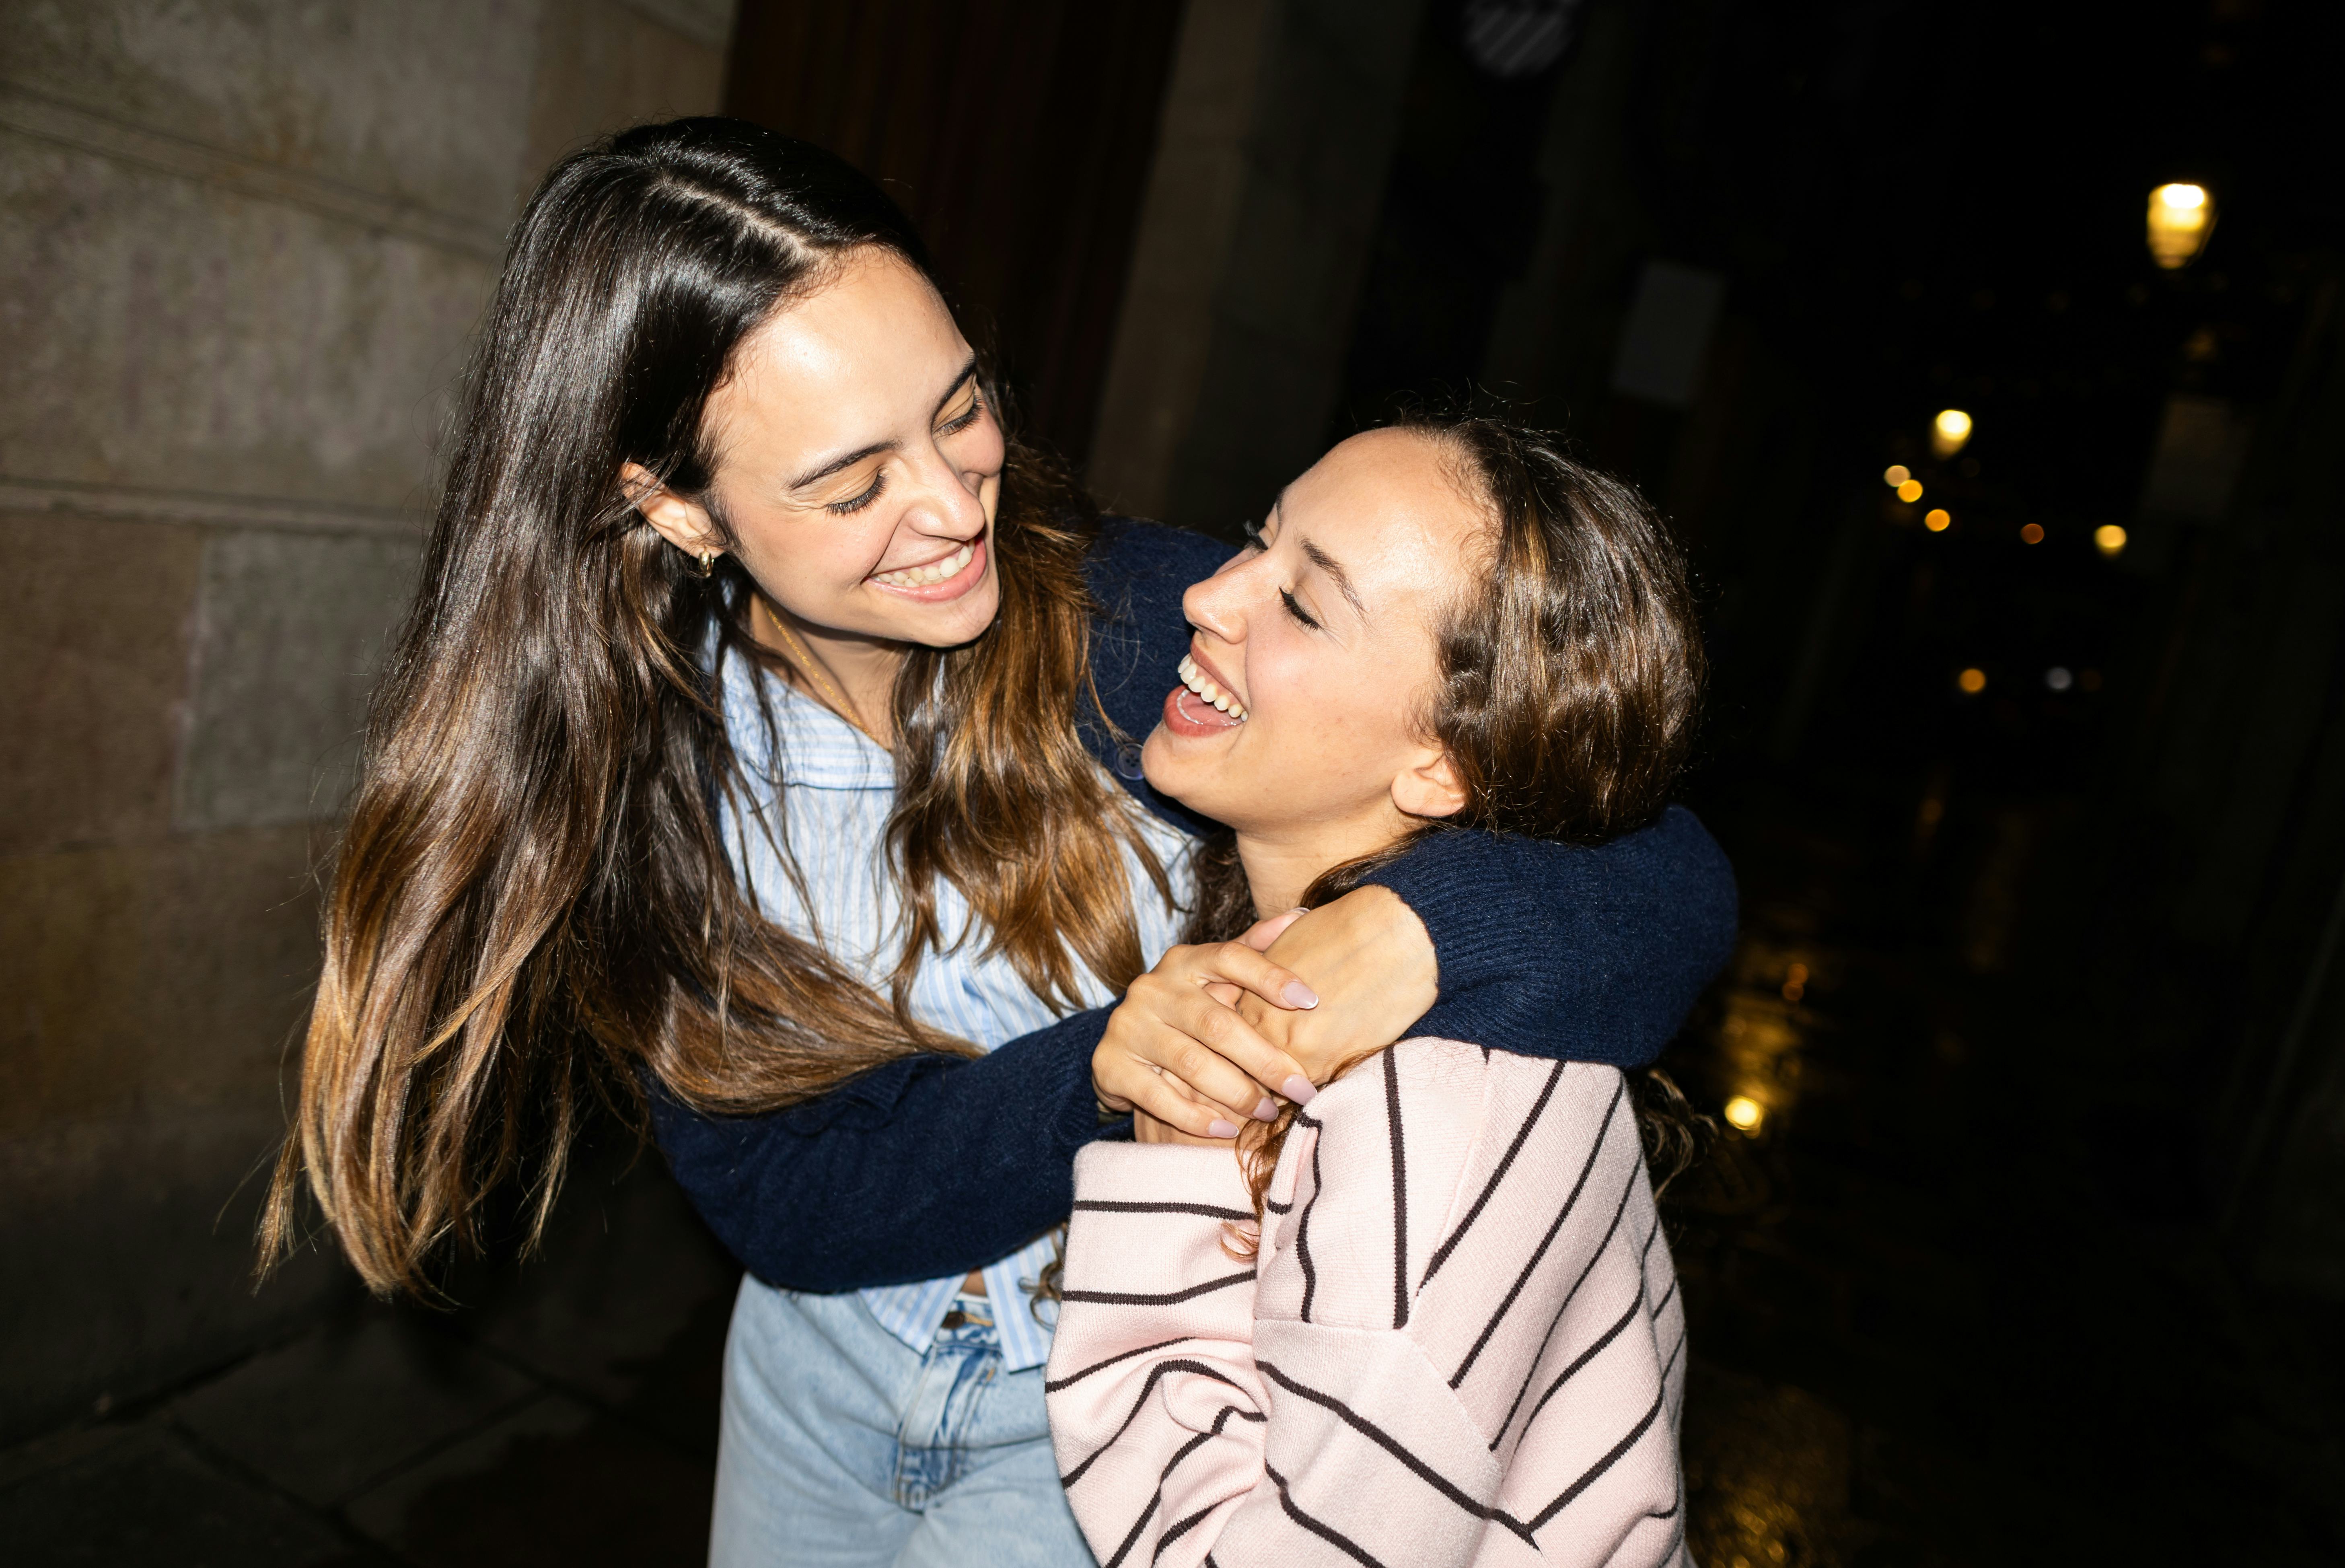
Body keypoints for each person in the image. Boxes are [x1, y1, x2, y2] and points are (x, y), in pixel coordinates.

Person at [261, 119, 1733, 1566]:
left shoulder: (1139, 623)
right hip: (813, 1379)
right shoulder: (641, 776)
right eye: (850, 484)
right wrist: (1106, 1067)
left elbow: (1668, 880)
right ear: (681, 511)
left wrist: (1423, 928)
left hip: (1119, 1410)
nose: (955, 503)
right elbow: (790, 1202)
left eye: (959, 407)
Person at [1047, 418, 1704, 1566]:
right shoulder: (1361, 993)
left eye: (1304, 604)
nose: (1208, 594)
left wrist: (1173, 1160)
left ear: (1442, 765)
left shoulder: (1430, 1112)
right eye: (1260, 537)